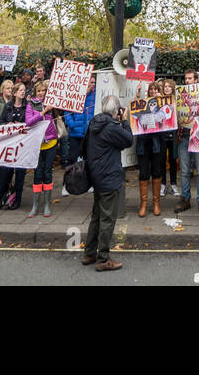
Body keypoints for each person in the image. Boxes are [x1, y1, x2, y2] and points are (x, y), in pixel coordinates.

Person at [80, 96, 134, 271]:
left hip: (96, 175)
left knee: (96, 216)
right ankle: (103, 259)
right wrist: (125, 122)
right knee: (107, 219)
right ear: (115, 111)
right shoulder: (111, 127)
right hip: (109, 176)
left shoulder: (94, 122)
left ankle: (89, 253)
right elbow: (128, 140)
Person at [174, 70, 199, 214]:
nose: (187, 81)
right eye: (186, 79)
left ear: (196, 80)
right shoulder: (179, 95)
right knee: (184, 170)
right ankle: (185, 199)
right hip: (184, 136)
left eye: (190, 78)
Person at [134, 79, 170, 217]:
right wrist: (138, 94)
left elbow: (167, 118)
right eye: (151, 90)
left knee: (156, 171)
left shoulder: (162, 106)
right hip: (143, 143)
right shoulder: (142, 104)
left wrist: (163, 102)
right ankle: (143, 203)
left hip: (157, 143)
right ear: (148, 92)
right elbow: (135, 111)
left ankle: (156, 203)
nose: (154, 92)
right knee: (143, 173)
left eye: (156, 90)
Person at [26, 80, 61, 217]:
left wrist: (52, 108)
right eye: (39, 91)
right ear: (35, 92)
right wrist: (44, 112)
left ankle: (46, 205)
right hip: (36, 143)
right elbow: (29, 122)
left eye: (43, 91)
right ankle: (35, 206)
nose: (41, 93)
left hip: (51, 141)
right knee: (37, 172)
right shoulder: (31, 105)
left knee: (47, 172)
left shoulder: (52, 103)